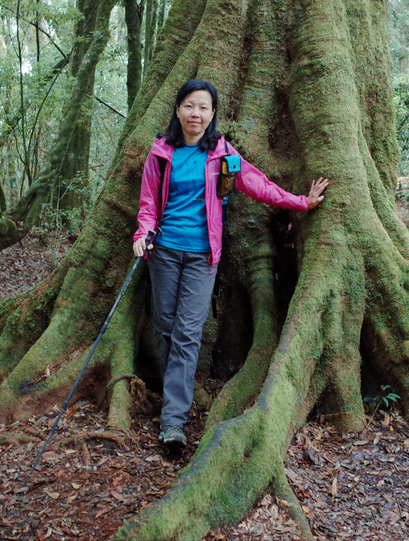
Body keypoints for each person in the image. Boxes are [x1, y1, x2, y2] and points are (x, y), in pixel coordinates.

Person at [133, 79, 329, 448]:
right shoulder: (160, 153)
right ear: (178, 109)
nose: (196, 113)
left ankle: (172, 421)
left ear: (212, 114)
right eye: (190, 105)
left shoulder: (222, 153)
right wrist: (142, 234)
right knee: (165, 328)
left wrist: (301, 202)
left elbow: (258, 184)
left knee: (189, 334)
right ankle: (171, 387)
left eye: (204, 107)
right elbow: (147, 204)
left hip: (203, 256)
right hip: (163, 252)